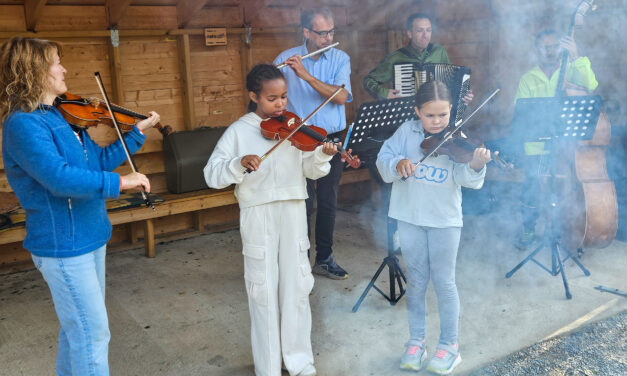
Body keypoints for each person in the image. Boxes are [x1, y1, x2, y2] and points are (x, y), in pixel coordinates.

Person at [0, 37, 159, 375]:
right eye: (56, 62)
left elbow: (98, 161)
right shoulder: (22, 124)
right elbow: (59, 178)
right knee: (92, 334)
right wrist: (121, 182)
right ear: (34, 70)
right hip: (63, 245)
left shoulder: (64, 118)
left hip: (90, 236)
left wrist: (136, 134)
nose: (63, 68)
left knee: (79, 332)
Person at [203, 63, 338, 376]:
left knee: (297, 285)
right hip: (258, 213)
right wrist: (238, 163)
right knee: (262, 290)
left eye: (284, 97)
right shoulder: (239, 130)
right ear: (254, 96)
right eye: (272, 98)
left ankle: (299, 360)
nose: (281, 104)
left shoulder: (294, 127)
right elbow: (212, 174)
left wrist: (322, 155)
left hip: (292, 208)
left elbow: (311, 170)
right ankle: (268, 368)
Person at [376, 81, 491, 374]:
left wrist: (476, 165)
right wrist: (398, 162)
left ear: (451, 110)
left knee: (444, 282)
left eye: (443, 115)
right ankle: (416, 342)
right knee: (416, 282)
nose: (437, 122)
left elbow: (466, 177)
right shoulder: (405, 132)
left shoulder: (458, 137)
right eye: (430, 116)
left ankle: (450, 346)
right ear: (417, 112)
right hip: (410, 216)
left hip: (444, 221)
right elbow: (383, 160)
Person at [273, 7, 352, 280]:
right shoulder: (284, 59)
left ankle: (325, 259)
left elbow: (341, 97)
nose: (328, 37)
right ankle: (299, 261)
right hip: (297, 138)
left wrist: (305, 75)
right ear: (306, 32)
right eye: (321, 33)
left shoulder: (341, 58)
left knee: (328, 200)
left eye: (331, 31)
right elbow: (270, 98)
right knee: (301, 201)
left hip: (331, 138)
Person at [513, 29, 598, 249]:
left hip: (565, 146)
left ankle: (562, 229)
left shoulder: (572, 69)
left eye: (554, 46)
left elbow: (591, 85)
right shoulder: (528, 79)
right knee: (532, 188)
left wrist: (577, 56)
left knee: (563, 190)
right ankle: (529, 229)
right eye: (545, 47)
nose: (550, 51)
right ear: (537, 50)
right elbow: (521, 115)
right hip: (537, 146)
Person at [363, 13, 451, 100]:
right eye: (420, 30)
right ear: (409, 33)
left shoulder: (439, 52)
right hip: (409, 112)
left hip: (435, 111)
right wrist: (384, 93)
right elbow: (368, 81)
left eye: (428, 30)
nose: (425, 35)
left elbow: (451, 80)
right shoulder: (395, 58)